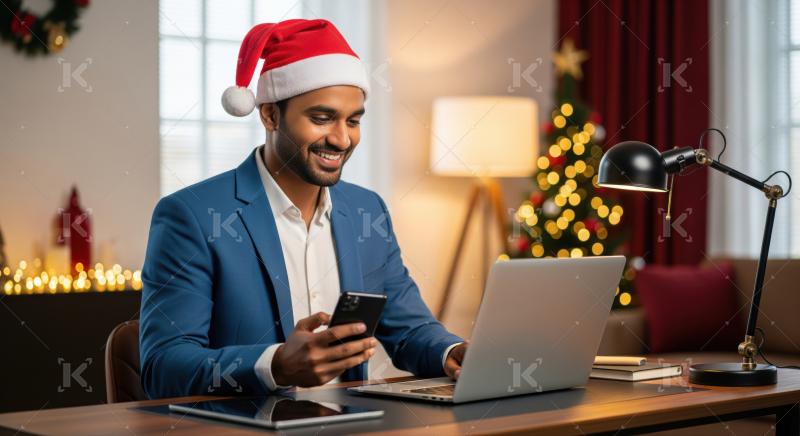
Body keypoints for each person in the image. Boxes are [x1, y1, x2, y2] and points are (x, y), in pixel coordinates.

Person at [140, 19, 467, 397]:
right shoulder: (191, 216)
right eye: (321, 118)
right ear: (270, 115)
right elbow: (163, 367)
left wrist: (453, 352)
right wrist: (275, 365)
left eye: (354, 120)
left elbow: (409, 330)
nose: (342, 139)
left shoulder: (367, 211)